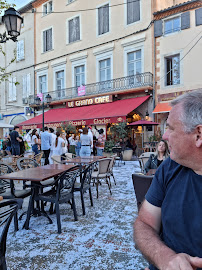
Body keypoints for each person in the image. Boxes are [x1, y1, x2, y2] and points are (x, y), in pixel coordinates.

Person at [134, 90, 202, 270]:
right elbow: (144, 223)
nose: (164, 136)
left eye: (170, 128)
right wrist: (163, 257)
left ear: (198, 135)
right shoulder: (170, 167)